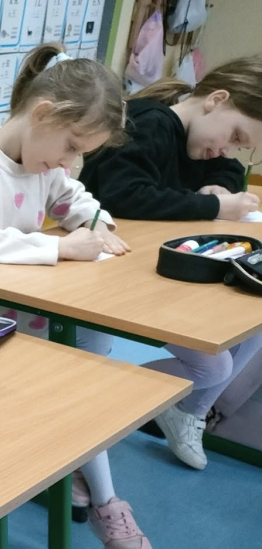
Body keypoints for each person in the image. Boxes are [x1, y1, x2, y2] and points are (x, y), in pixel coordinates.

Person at [0, 44, 155, 549]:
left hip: (16, 308)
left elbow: (76, 201)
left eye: (80, 155)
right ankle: (101, 493)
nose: (69, 163)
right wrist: (60, 248)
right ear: (43, 113)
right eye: (70, 146)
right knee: (82, 370)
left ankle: (89, 479)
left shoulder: (45, 167)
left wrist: (98, 225)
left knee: (88, 355)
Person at [79, 56, 262, 470]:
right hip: (109, 275)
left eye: (239, 145)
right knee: (213, 366)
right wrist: (214, 205)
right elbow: (124, 195)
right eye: (234, 136)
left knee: (252, 321)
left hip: (154, 275)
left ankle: (188, 411)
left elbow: (230, 170)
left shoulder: (199, 141)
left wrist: (220, 186)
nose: (227, 149)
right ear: (216, 99)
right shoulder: (150, 123)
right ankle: (107, 402)